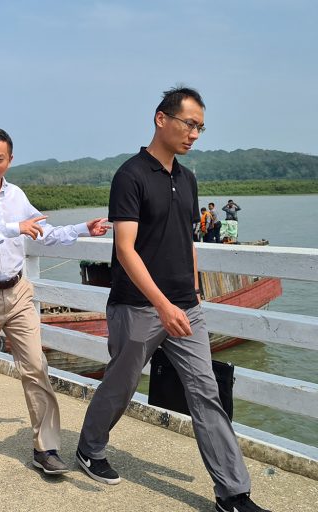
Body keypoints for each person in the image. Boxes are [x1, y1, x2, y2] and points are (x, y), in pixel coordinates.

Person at [76, 87, 270, 512]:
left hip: (187, 307)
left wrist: (193, 289)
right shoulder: (130, 175)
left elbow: (188, 238)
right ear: (161, 119)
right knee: (121, 385)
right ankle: (90, 448)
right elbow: (125, 249)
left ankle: (233, 494)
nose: (195, 134)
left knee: (206, 393)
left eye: (200, 127)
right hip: (137, 307)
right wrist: (163, 304)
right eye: (189, 124)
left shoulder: (187, 177)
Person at [0, 128, 109, 475]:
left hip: (18, 291)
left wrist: (83, 227)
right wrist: (14, 227)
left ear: (10, 159)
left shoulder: (16, 194)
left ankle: (46, 447)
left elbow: (42, 231)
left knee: (36, 366)